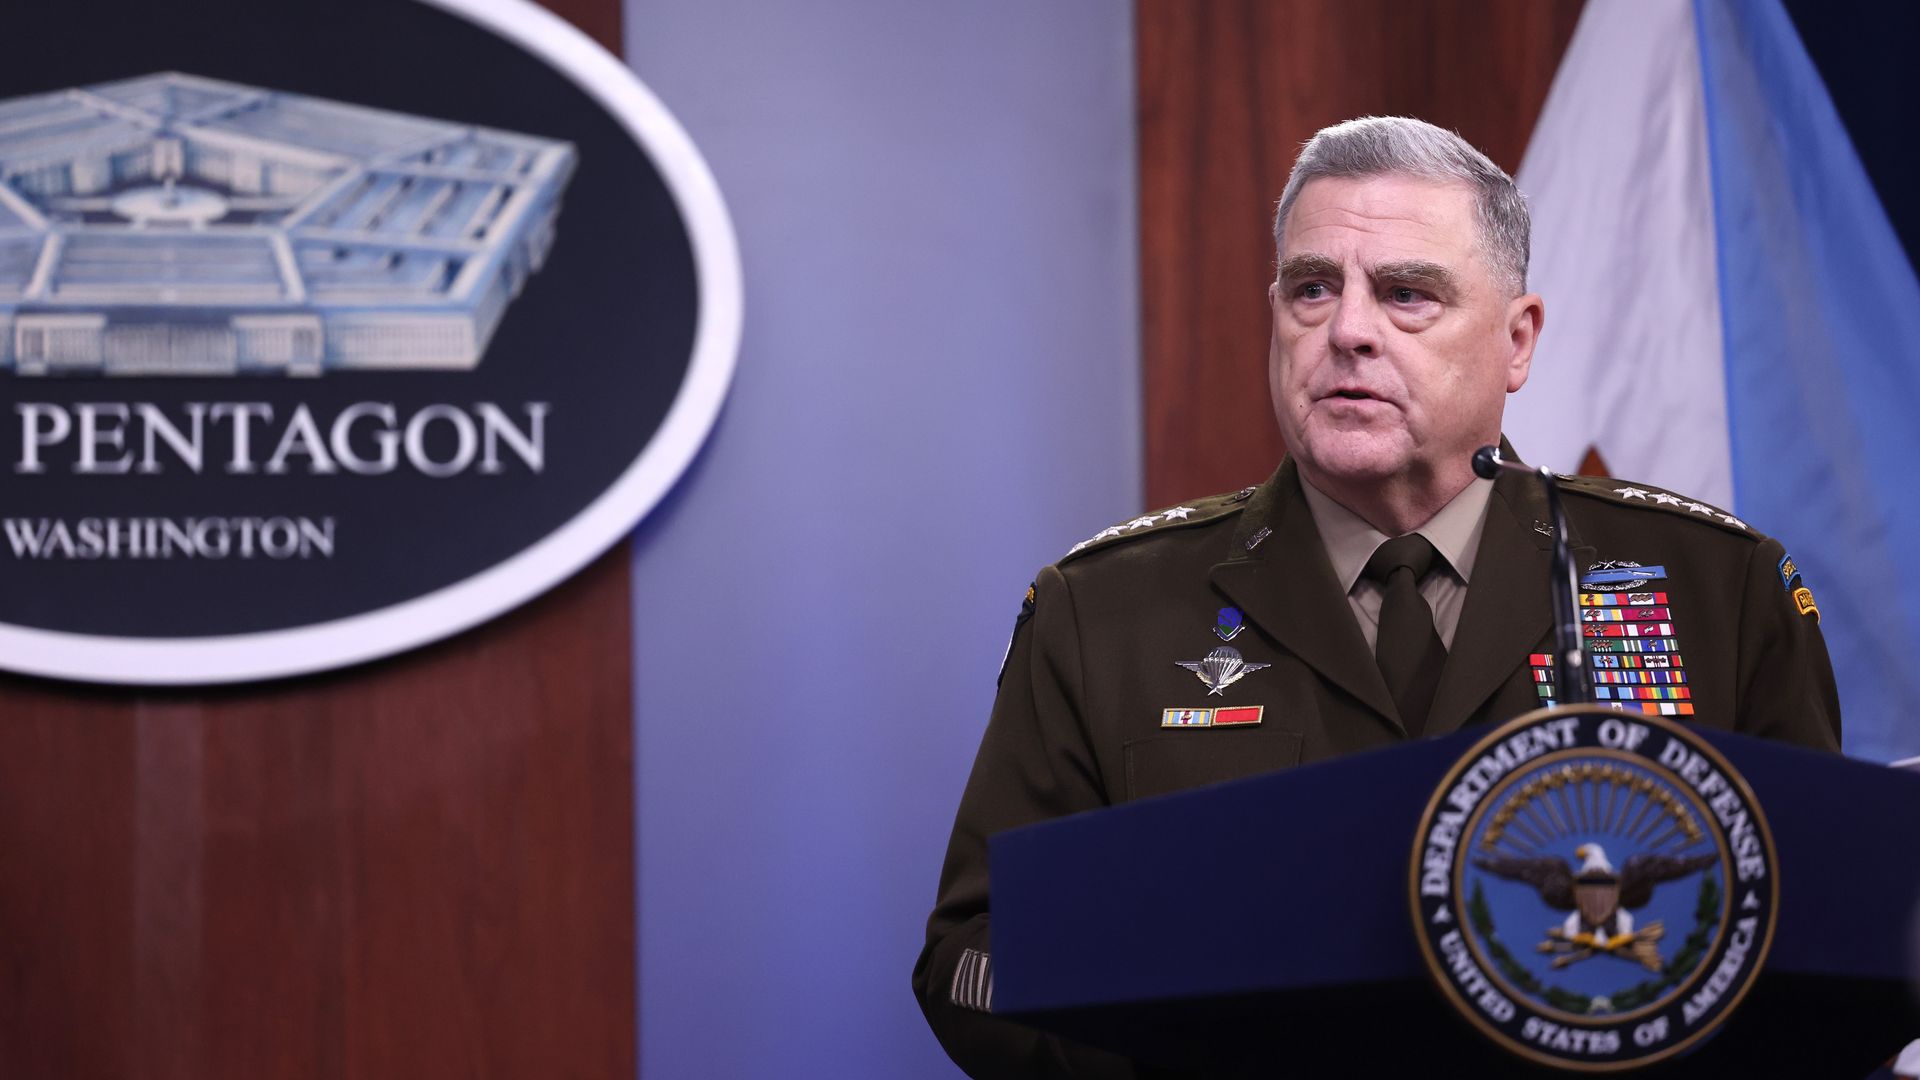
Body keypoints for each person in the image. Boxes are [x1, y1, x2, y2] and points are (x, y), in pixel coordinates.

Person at [914, 116, 1841, 1079]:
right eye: (1312, 288)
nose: (1348, 330)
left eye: (1406, 294)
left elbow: (1829, 937)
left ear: (1517, 341)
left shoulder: (1711, 589)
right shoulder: (1104, 612)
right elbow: (973, 956)